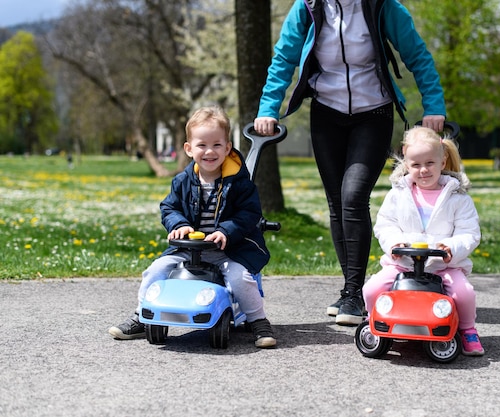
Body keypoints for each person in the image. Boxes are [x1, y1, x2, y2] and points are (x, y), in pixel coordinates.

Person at [254, 0, 446, 326]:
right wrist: (268, 108)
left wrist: (434, 104)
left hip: (374, 113)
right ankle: (351, 292)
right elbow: (284, 58)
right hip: (326, 112)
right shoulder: (308, 7)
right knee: (336, 203)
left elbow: (418, 56)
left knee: (353, 197)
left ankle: (354, 292)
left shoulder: (384, 7)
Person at [109, 106, 276, 348]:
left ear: (228, 148)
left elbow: (249, 214)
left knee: (240, 279)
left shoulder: (240, 183)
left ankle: (258, 321)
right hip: (188, 249)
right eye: (202, 145)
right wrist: (179, 224)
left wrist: (227, 230)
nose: (209, 151)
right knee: (156, 270)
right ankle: (141, 316)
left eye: (217, 145)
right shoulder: (182, 181)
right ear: (188, 149)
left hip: (228, 249)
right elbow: (169, 208)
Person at [362, 126, 484, 356]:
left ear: (443, 160)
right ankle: (375, 324)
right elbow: (385, 224)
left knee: (464, 293)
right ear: (407, 164)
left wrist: (451, 248)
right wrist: (394, 245)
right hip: (403, 264)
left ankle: (468, 330)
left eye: (430, 163)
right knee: (372, 289)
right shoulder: (398, 194)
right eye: (416, 165)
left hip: (443, 265)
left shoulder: (458, 197)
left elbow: (470, 232)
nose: (423, 170)